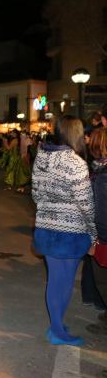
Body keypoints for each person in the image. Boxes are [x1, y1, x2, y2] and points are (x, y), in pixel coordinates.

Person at [32, 115, 97, 346]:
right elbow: (86, 204)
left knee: (54, 281)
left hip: (46, 229)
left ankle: (56, 324)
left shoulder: (41, 157)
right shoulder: (76, 162)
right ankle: (58, 331)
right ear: (76, 134)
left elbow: (36, 195)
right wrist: (93, 235)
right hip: (70, 233)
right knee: (65, 283)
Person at [89, 128, 107, 324]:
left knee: (102, 280)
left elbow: (102, 213)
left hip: (104, 237)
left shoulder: (102, 174)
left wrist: (98, 241)